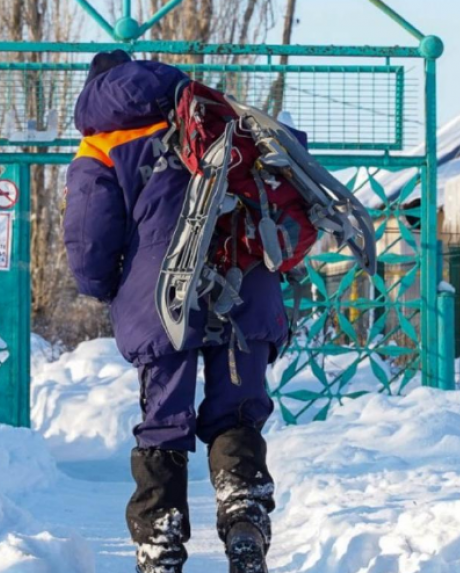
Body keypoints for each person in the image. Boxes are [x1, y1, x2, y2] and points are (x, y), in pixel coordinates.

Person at [63, 51, 291, 573]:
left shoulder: (101, 141)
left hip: (162, 296)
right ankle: (245, 517)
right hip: (246, 282)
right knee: (238, 411)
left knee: (164, 420)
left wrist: (102, 287)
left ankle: (160, 543)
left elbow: (89, 236)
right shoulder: (213, 113)